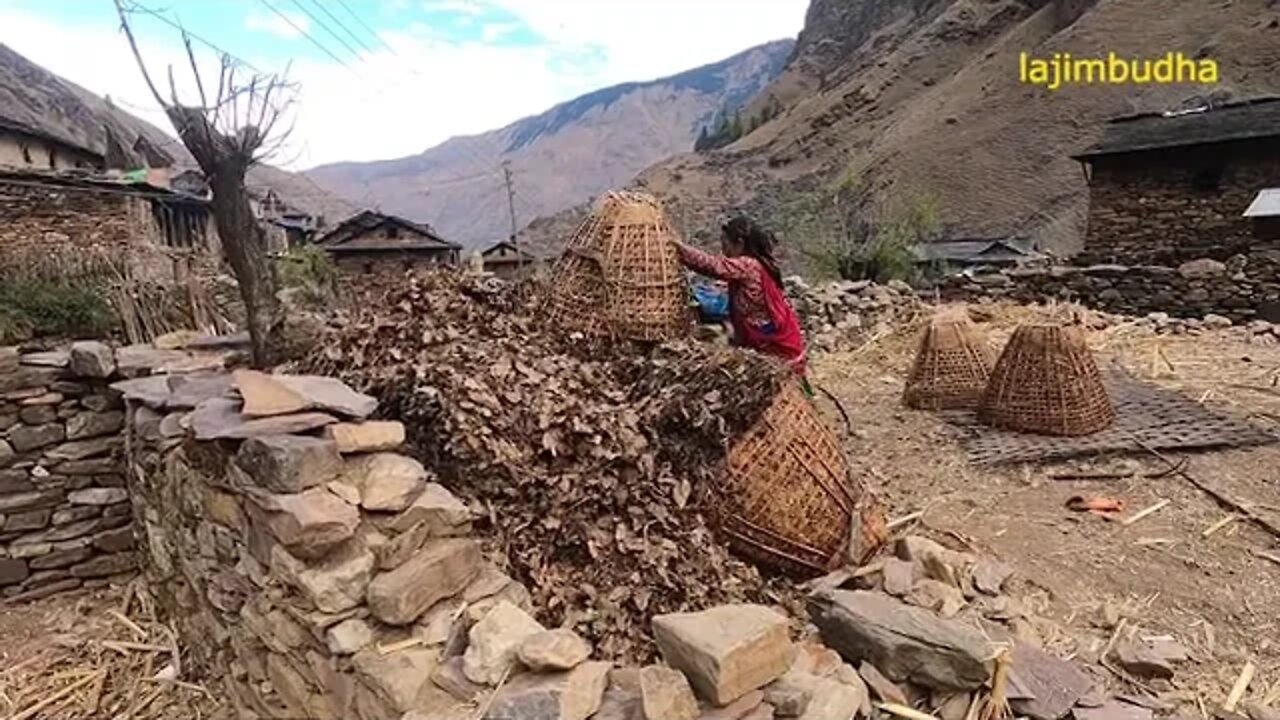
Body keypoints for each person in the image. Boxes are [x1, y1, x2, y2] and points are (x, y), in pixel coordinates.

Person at [673, 216, 812, 390]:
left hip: (769, 339)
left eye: (724, 242)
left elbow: (714, 266)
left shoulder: (748, 265)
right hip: (770, 335)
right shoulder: (759, 264)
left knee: (779, 386)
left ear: (739, 243)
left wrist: (678, 248)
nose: (722, 247)